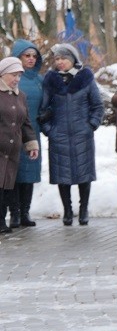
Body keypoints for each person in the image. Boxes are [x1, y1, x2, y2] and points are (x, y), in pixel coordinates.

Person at [38, 43, 104, 226]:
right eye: (57, 59)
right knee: (62, 176)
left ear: (73, 59)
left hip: (82, 135)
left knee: (84, 174)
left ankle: (84, 210)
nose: (60, 62)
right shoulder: (50, 80)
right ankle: (67, 210)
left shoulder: (86, 78)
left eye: (64, 58)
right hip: (59, 136)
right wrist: (50, 131)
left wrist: (91, 125)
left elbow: (97, 106)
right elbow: (43, 110)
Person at [0, 58, 39, 233]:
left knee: (7, 186)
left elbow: (26, 124)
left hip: (12, 152)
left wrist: (31, 145)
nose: (16, 79)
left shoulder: (20, 96)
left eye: (19, 76)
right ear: (2, 74)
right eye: (13, 75)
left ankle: (2, 221)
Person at [10, 40, 44, 228]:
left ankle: (25, 212)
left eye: (34, 56)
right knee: (13, 174)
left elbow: (48, 102)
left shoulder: (40, 80)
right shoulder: (11, 77)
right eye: (27, 55)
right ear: (18, 56)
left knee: (29, 173)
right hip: (11, 132)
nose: (31, 59)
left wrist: (45, 116)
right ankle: (14, 213)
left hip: (33, 132)